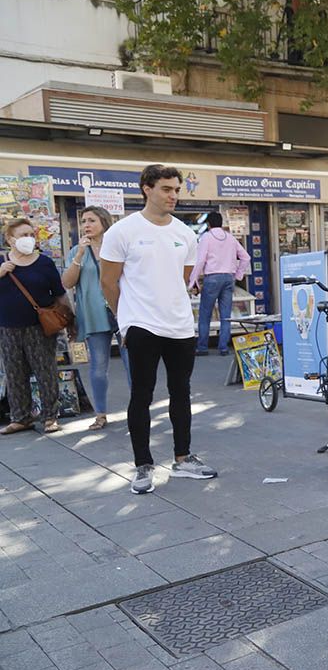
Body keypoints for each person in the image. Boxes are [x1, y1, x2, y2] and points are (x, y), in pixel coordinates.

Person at [100, 164, 218, 494]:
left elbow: (182, 280)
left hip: (180, 325)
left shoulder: (185, 233)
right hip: (141, 325)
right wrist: (125, 320)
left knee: (181, 393)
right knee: (142, 394)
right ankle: (143, 466)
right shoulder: (122, 232)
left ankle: (183, 459)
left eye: (177, 190)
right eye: (167, 189)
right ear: (146, 189)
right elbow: (108, 283)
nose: (173, 196)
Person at [62, 206, 130, 430]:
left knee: (134, 365)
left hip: (123, 312)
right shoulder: (76, 251)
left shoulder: (119, 247)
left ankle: (138, 410)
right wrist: (80, 255)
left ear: (104, 222)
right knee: (98, 366)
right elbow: (68, 283)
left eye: (91, 220)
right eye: (83, 221)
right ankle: (101, 414)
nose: (86, 225)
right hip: (93, 314)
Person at [0, 219, 68, 434]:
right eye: (23, 235)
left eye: (31, 234)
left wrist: (69, 319)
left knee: (45, 371)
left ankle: (50, 416)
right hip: (8, 328)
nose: (29, 238)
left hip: (39, 327)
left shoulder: (44, 263)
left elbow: (59, 294)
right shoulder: (2, 262)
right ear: (10, 239)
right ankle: (21, 417)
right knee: (14, 373)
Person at [189, 212, 250, 357]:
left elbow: (200, 261)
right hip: (229, 278)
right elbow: (246, 257)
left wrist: (193, 281)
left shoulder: (207, 237)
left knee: (205, 314)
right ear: (221, 223)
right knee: (225, 315)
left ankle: (203, 347)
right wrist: (238, 275)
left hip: (212, 278)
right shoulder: (230, 238)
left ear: (208, 224)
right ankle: (223, 347)